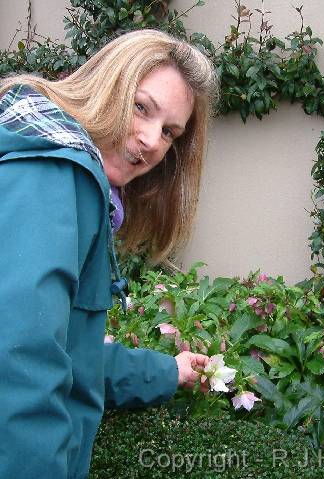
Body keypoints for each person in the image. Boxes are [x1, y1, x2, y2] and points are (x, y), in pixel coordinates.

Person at [0, 29, 218, 478]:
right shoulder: (57, 176)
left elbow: (67, 350)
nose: (154, 141)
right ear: (107, 87)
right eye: (142, 107)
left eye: (170, 132)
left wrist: (165, 372)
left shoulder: (70, 177)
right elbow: (20, 363)